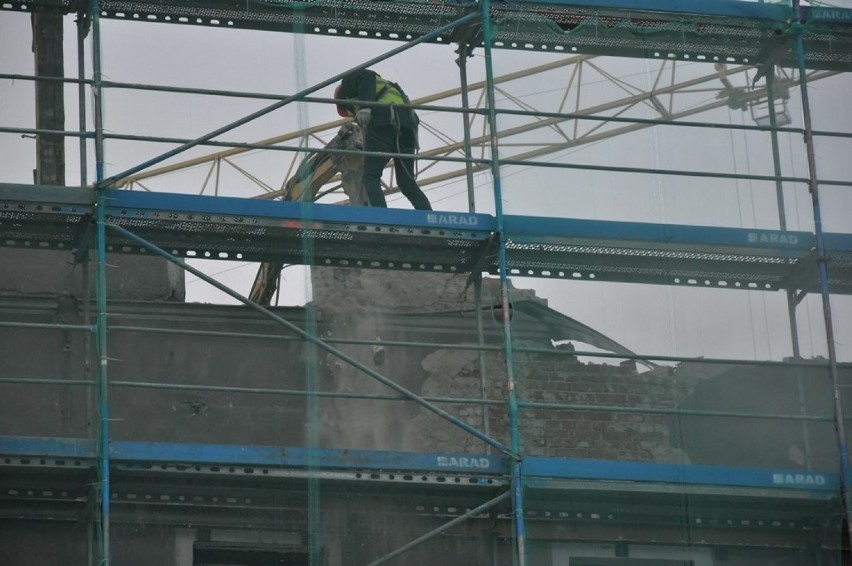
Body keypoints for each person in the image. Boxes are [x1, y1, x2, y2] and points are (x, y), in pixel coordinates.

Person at [334, 69, 432, 210]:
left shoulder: (347, 85)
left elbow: (365, 75)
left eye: (350, 112)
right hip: (408, 128)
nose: (352, 115)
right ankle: (427, 216)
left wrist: (365, 106)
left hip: (386, 122)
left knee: (370, 177)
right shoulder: (388, 89)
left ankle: (381, 217)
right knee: (406, 182)